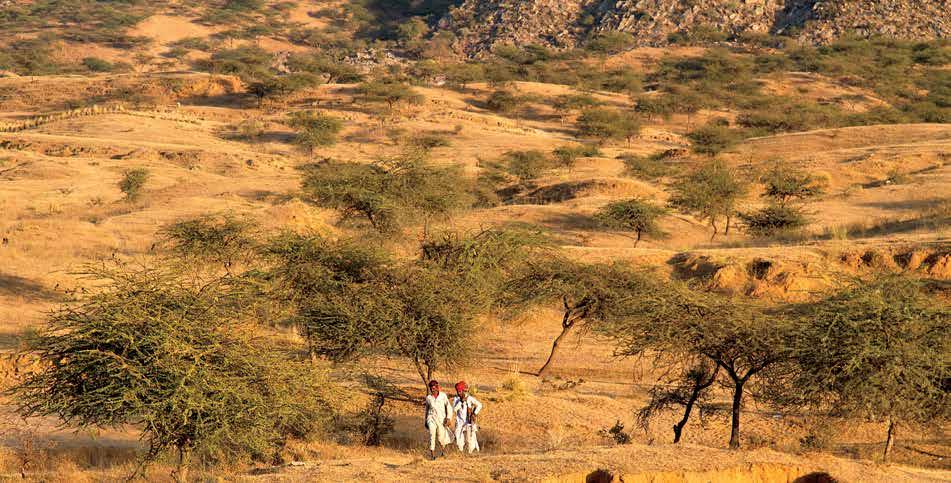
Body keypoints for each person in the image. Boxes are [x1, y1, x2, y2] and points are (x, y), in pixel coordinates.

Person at [424, 380, 453, 460]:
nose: (432, 390)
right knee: (432, 435)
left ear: (437, 388)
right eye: (431, 389)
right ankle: (432, 455)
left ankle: (443, 452)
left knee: (441, 437)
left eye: (434, 388)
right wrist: (425, 420)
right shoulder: (429, 398)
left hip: (441, 419)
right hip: (431, 418)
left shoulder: (443, 396)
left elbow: (449, 407)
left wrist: (448, 418)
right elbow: (427, 410)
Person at [452, 381, 483, 454]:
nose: (458, 393)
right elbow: (454, 409)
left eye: (460, 391)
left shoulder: (469, 398)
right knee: (458, 439)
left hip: (468, 422)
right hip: (459, 422)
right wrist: (461, 402)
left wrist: (474, 413)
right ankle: (461, 453)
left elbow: (479, 405)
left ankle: (471, 453)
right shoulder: (456, 399)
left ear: (463, 391)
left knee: (470, 439)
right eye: (457, 391)